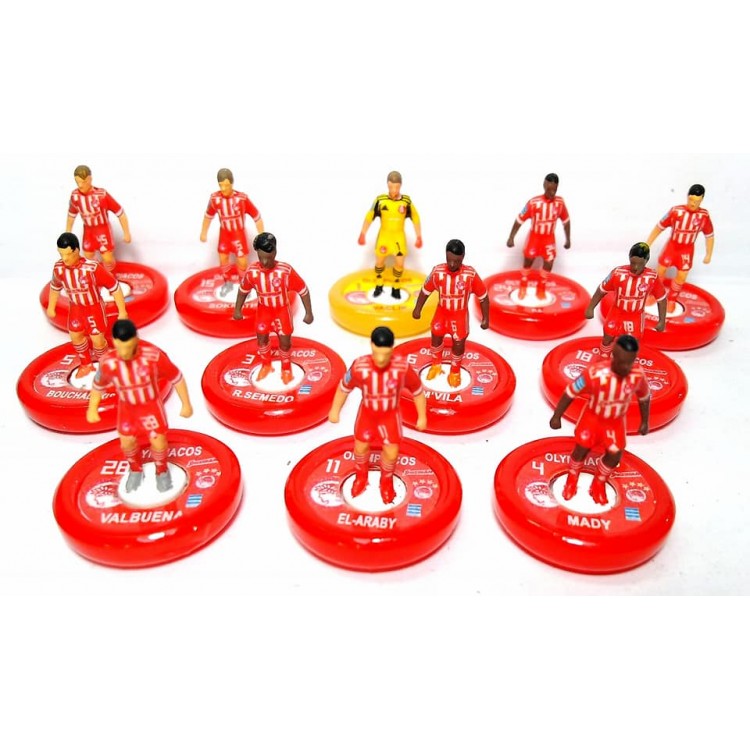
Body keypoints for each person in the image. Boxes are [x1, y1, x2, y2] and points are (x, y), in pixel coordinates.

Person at [86, 320, 193, 493]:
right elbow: (98, 385)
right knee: (127, 442)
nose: (125, 353)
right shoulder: (108, 363)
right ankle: (135, 470)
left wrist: (186, 404)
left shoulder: (153, 357)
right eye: (120, 347)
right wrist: (92, 408)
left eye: (128, 347)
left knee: (158, 441)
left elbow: (176, 377)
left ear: (136, 339)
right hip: (127, 410)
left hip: (150, 408)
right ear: (114, 342)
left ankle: (162, 471)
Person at [329, 326, 427, 504]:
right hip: (367, 415)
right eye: (377, 353)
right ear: (371, 346)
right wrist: (335, 410)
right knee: (360, 447)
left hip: (390, 416)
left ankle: (386, 481)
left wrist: (422, 416)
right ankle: (361, 476)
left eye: (386, 354)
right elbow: (344, 388)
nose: (381, 359)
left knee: (391, 452)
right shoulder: (359, 366)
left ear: (392, 349)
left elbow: (418, 391)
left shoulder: (402, 367)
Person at [549, 335, 650, 505]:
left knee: (615, 454)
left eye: (629, 363)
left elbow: (644, 397)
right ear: (614, 356)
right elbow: (571, 391)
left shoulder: (637, 375)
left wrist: (645, 421)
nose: (625, 367)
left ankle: (598, 483)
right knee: (581, 448)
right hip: (592, 419)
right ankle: (572, 479)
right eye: (621, 362)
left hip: (615, 423)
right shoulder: (594, 373)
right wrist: (557, 416)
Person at [233, 232, 313, 385]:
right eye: (261, 257)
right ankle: (266, 365)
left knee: (285, 342)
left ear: (275, 252)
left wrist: (308, 312)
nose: (265, 262)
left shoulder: (285, 271)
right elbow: (243, 290)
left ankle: (286, 368)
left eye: (268, 258)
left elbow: (303, 289)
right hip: (264, 312)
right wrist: (238, 309)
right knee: (262, 338)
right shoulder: (252, 272)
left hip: (282, 311)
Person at [47, 232, 128, 378]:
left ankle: (104, 365)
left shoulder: (92, 268)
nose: (65, 259)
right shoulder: (59, 269)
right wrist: (51, 306)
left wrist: (122, 311)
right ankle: (86, 364)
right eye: (61, 254)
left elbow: (114, 286)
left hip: (94, 308)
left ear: (76, 250)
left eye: (68, 254)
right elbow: (55, 287)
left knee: (98, 340)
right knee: (75, 336)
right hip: (76, 308)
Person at [412, 239, 490, 387]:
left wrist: (486, 318)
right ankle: (436, 365)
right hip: (441, 313)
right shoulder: (437, 272)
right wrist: (418, 308)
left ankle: (455, 371)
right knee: (436, 336)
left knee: (459, 342)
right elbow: (425, 291)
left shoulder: (470, 275)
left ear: (463, 258)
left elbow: (483, 297)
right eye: (449, 260)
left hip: (459, 315)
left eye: (457, 261)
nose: (452, 264)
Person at [584, 242, 667, 356]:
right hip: (617, 313)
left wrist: (662, 321)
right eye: (633, 263)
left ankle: (626, 363)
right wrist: (590, 308)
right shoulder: (617, 273)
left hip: (635, 316)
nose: (635, 267)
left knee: (632, 344)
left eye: (640, 264)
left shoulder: (652, 277)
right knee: (607, 337)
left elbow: (662, 299)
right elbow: (602, 290)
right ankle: (603, 358)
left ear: (646, 261)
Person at [646, 184, 714, 312]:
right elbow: (659, 227)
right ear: (687, 197)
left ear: (702, 200)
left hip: (687, 250)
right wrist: (648, 243)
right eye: (691, 200)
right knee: (661, 271)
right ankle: (655, 294)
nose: (693, 204)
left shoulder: (704, 216)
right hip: (672, 247)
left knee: (682, 276)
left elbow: (709, 236)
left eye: (697, 201)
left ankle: (671, 299)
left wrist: (708, 254)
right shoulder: (676, 211)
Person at [358, 170, 423, 299]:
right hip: (384, 237)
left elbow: (415, 218)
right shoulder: (380, 200)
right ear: (387, 185)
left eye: (397, 187)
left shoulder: (406, 201)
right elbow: (369, 216)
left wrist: (419, 236)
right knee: (379, 262)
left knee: (399, 264)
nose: (394, 190)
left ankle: (396, 287)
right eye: (391, 187)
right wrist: (363, 233)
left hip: (398, 239)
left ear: (401, 186)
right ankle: (379, 284)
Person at [200, 168, 265, 296]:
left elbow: (256, 216)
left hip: (238, 234)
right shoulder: (215, 199)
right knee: (223, 258)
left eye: (226, 185)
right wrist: (204, 232)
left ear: (232, 183)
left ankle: (244, 285)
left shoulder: (242, 199)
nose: (223, 189)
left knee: (242, 261)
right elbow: (208, 216)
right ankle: (228, 283)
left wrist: (262, 234)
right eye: (221, 185)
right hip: (224, 234)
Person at [506, 173, 571, 300]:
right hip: (534, 238)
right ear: (544, 185)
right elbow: (519, 219)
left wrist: (568, 239)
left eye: (554, 190)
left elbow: (566, 221)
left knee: (549, 262)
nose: (552, 193)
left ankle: (541, 287)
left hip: (549, 239)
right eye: (549, 189)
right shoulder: (534, 203)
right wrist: (511, 237)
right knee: (528, 260)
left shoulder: (560, 203)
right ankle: (523, 284)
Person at [66, 164, 131, 272]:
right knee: (88, 257)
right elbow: (71, 215)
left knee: (107, 258)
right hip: (88, 231)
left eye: (83, 182)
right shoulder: (75, 196)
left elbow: (120, 213)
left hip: (103, 230)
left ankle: (111, 275)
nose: (80, 185)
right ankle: (98, 274)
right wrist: (68, 232)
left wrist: (126, 233)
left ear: (90, 179)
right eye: (78, 182)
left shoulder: (102, 195)